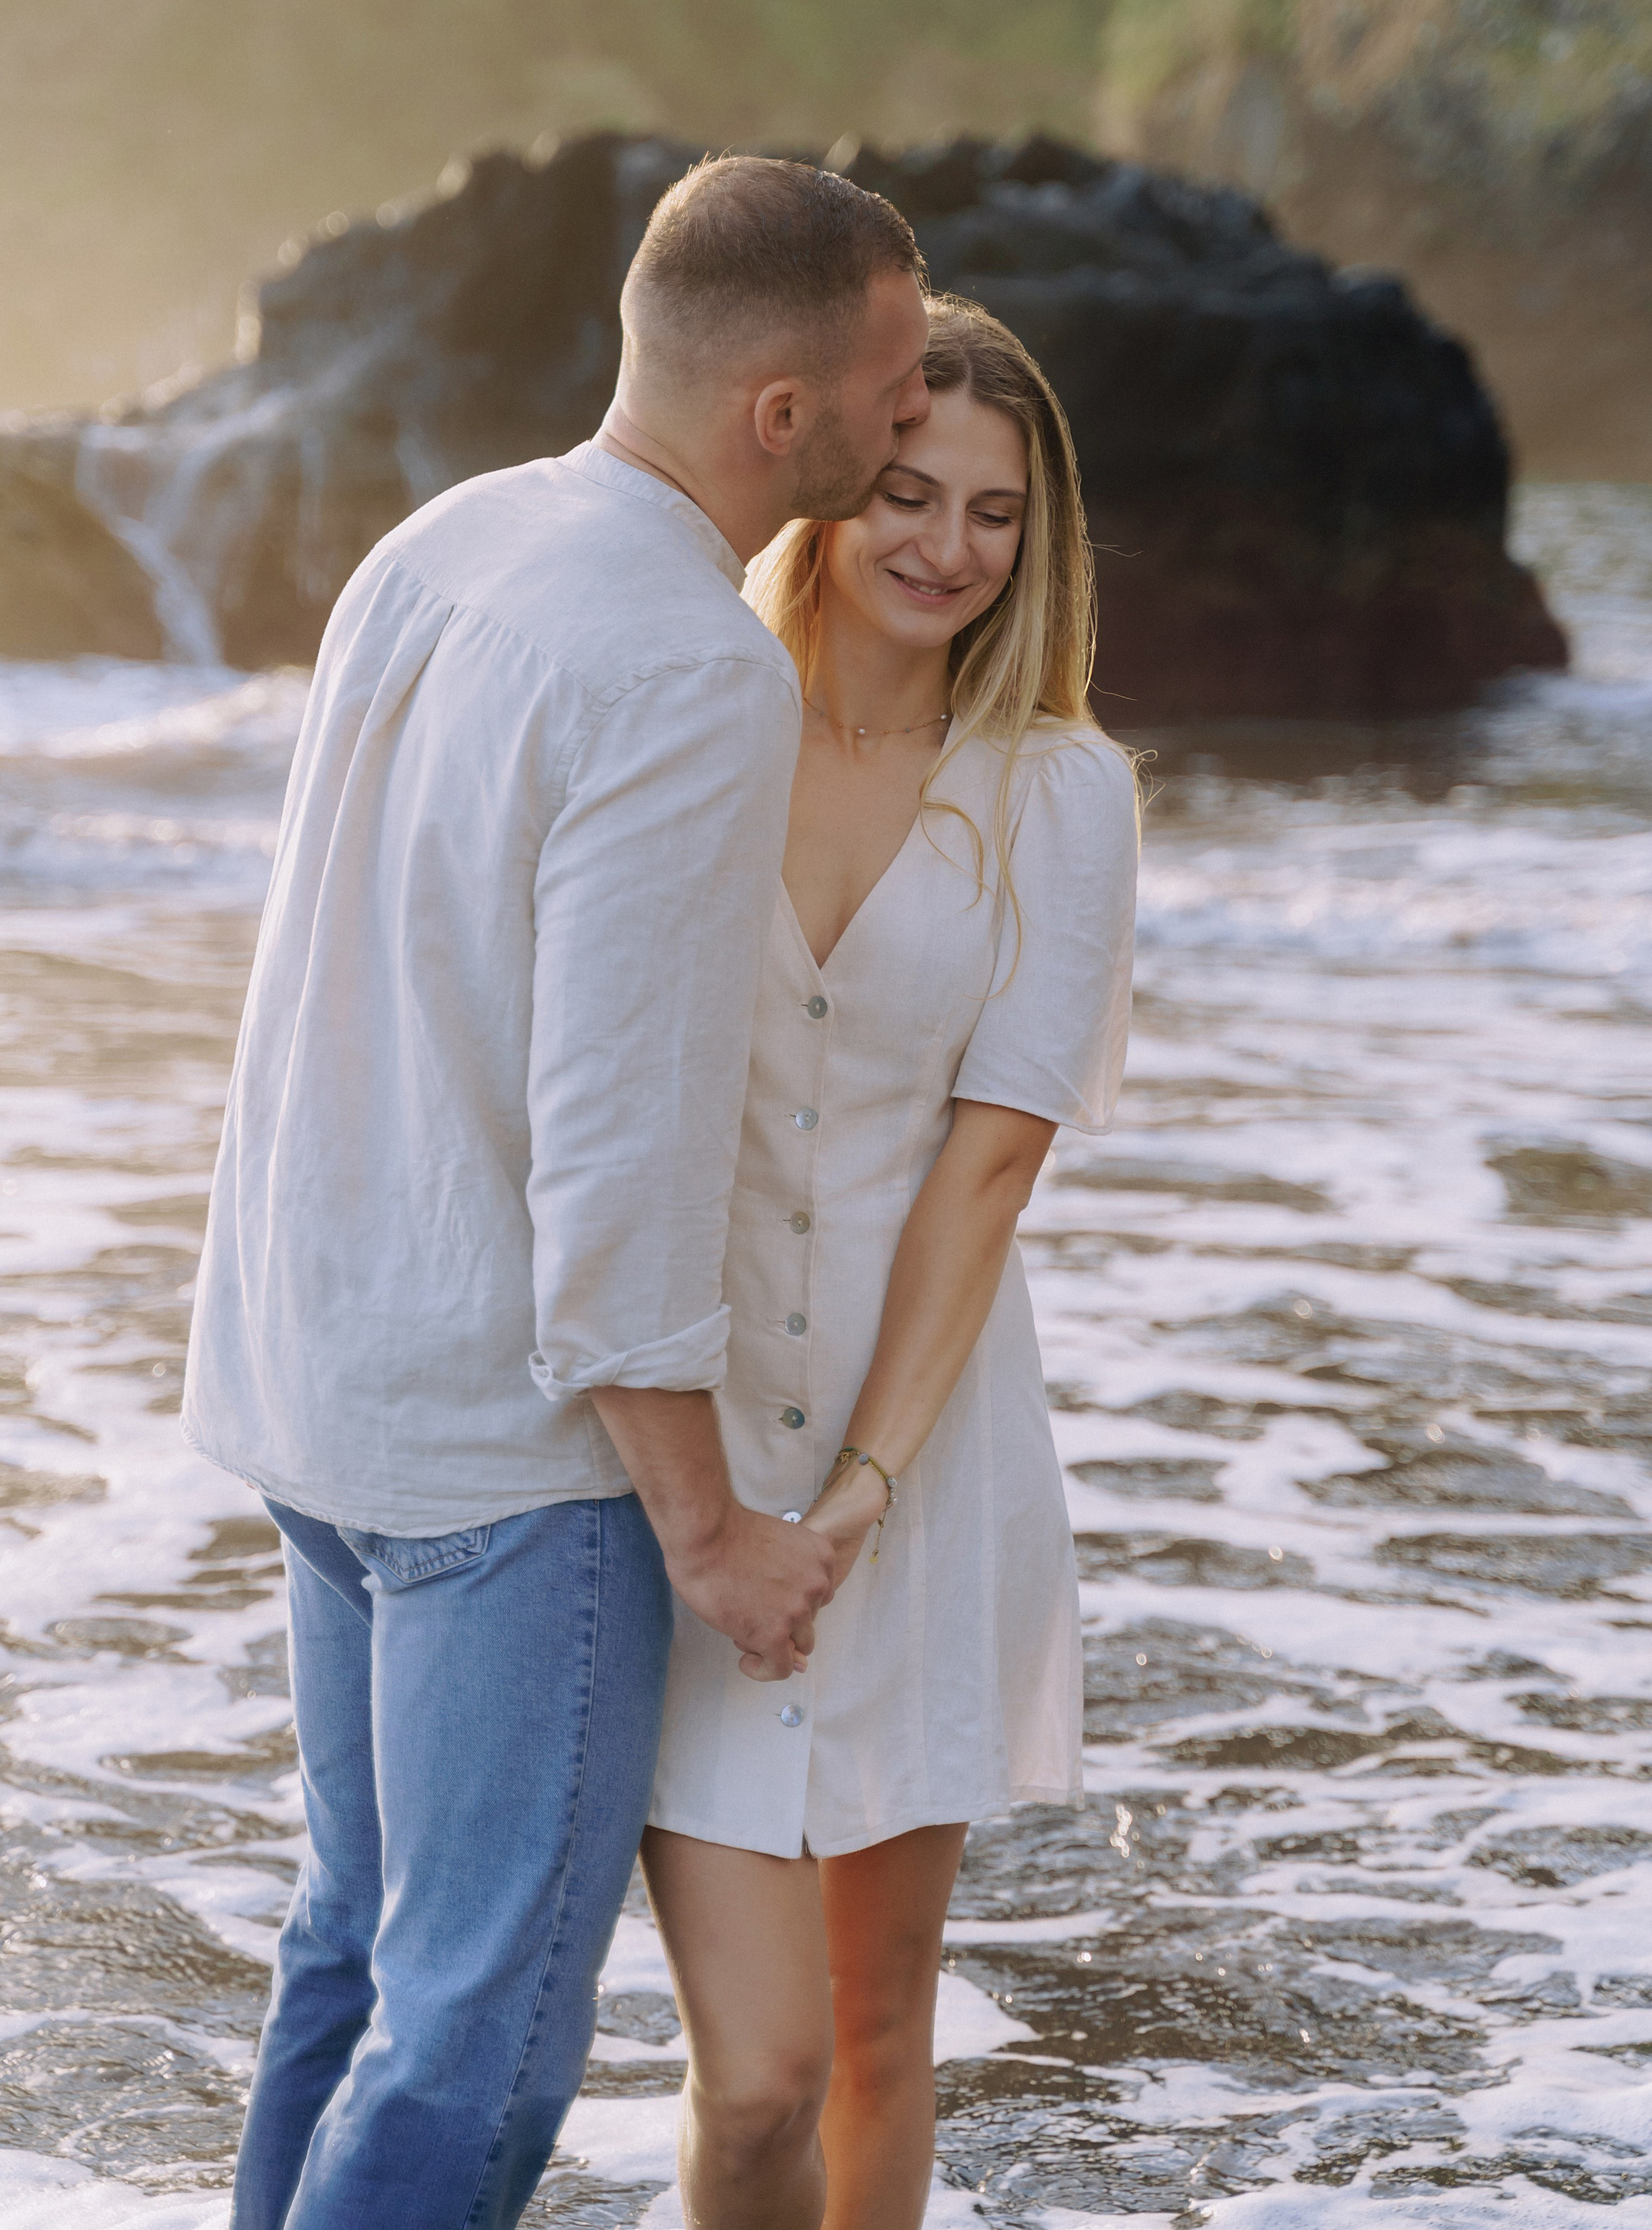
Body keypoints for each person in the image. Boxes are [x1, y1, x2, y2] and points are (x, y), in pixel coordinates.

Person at [179, 155, 932, 2230]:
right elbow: (622, 1142)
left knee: (351, 1956)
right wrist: (709, 1530)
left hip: (310, 1372)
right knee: (482, 2050)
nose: (915, 402)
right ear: (782, 414)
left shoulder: (448, 539)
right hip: (498, 1462)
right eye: (888, 373)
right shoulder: (690, 666)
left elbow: (313, 977)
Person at [640, 298, 1140, 2229]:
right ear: (830, 489)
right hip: (680, 1455)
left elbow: (989, 1164)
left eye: (997, 513)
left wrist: (853, 1494)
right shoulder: (699, 713)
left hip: (913, 1466)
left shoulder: (1058, 790)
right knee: (748, 2071)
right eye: (908, 492)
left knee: (866, 2037)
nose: (946, 546)